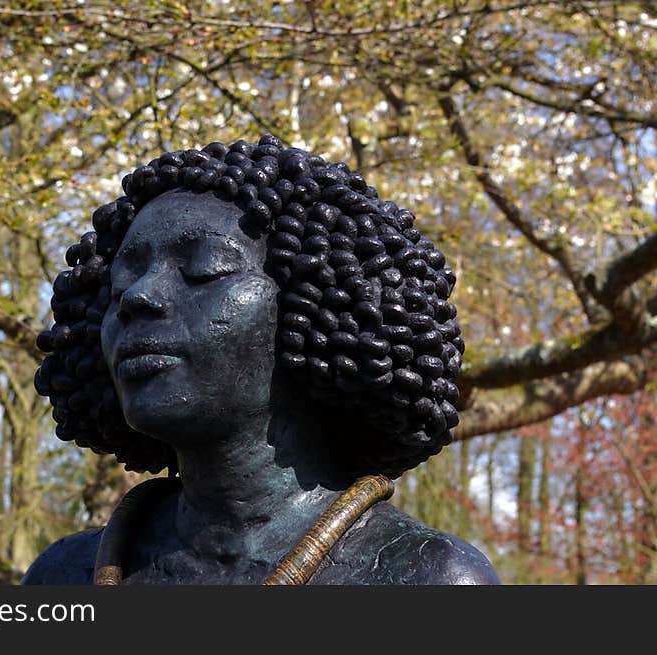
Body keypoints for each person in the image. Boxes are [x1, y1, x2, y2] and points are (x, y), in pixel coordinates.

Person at [24, 135, 499, 584]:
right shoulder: (63, 576)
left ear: (315, 314)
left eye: (204, 269)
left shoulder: (427, 579)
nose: (140, 296)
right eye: (123, 280)